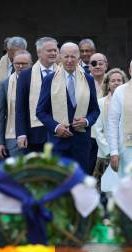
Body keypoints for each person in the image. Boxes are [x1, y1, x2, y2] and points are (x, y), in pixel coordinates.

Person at [36, 42, 100, 171]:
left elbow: (95, 110)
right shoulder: (50, 79)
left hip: (81, 143)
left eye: (73, 57)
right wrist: (56, 126)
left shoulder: (88, 79)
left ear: (79, 58)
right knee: (59, 183)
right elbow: (41, 111)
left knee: (80, 184)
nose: (69, 60)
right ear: (60, 57)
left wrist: (86, 121)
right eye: (66, 57)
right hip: (58, 142)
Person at [15, 37, 58, 153]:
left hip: (59, 133)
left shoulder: (62, 73)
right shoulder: (25, 75)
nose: (53, 53)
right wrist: (21, 133)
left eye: (55, 50)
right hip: (34, 135)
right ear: (39, 52)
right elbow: (20, 108)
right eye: (49, 50)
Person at [92, 67, 128, 187]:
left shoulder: (131, 103)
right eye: (113, 80)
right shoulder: (100, 103)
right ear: (108, 84)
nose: (116, 83)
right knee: (103, 189)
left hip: (126, 152)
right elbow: (98, 130)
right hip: (105, 154)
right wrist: (110, 152)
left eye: (119, 80)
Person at [0, 50, 33, 159]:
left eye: (24, 64)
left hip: (36, 137)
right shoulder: (5, 84)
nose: (20, 66)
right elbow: (0, 115)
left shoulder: (39, 81)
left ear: (31, 64)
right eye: (17, 63)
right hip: (13, 138)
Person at [0, 36, 27, 119]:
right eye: (14, 53)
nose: (16, 56)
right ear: (8, 50)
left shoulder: (30, 67)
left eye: (20, 53)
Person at [86, 52, 108, 174]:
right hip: (89, 133)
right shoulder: (83, 81)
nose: (97, 66)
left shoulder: (113, 82)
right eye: (94, 63)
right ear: (89, 66)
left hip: (107, 134)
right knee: (89, 169)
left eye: (101, 63)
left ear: (106, 65)